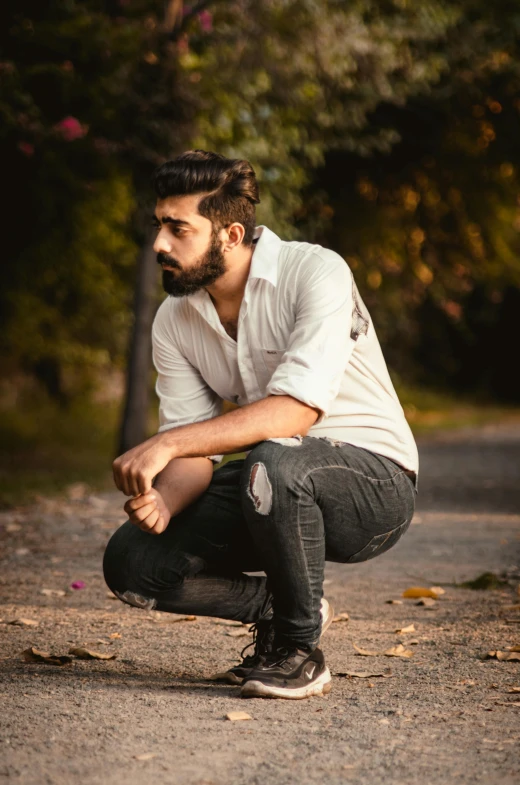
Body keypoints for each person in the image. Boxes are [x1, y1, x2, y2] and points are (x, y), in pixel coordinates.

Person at [103, 150, 418, 700]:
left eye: (178, 229)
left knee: (276, 456)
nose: (159, 244)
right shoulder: (175, 319)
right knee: (132, 561)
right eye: (158, 225)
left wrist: (164, 443)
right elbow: (195, 452)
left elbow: (297, 413)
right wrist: (165, 502)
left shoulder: (315, 271)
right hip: (268, 479)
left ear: (229, 233)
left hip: (376, 485)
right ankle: (289, 606)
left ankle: (300, 650)